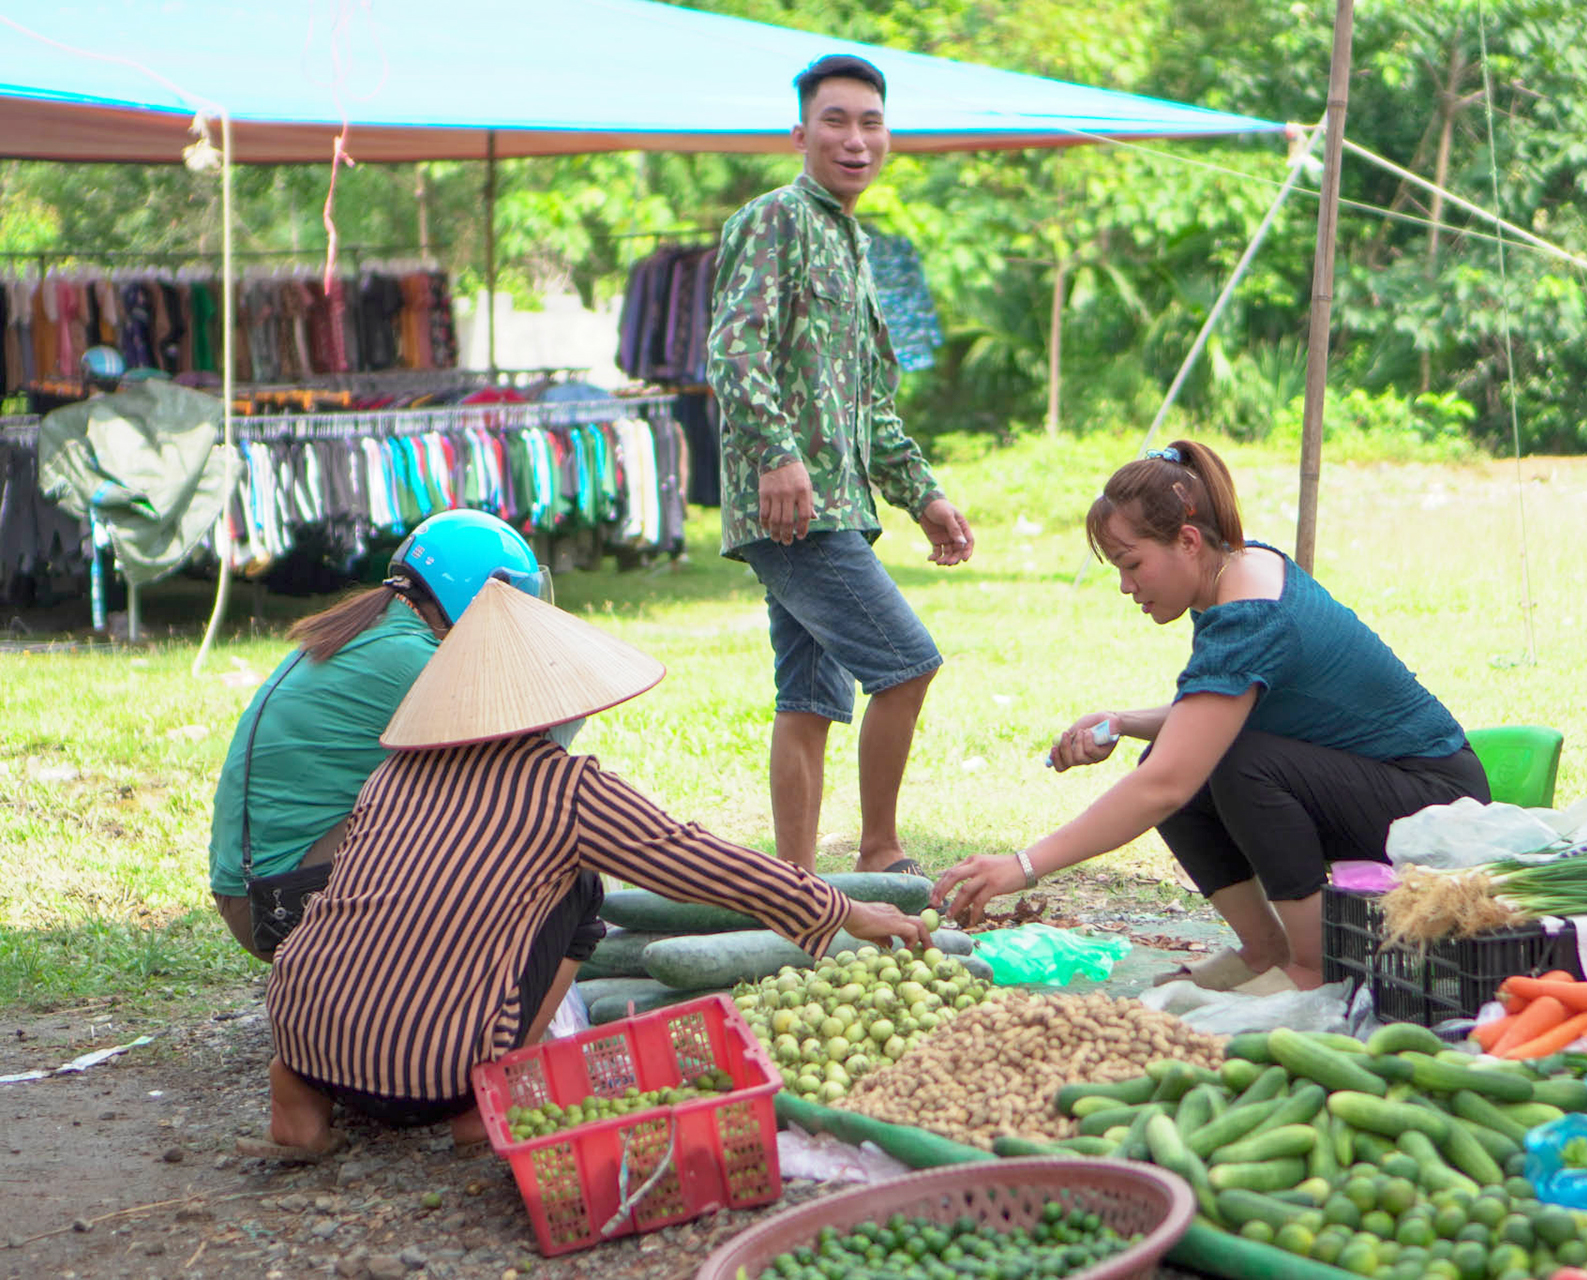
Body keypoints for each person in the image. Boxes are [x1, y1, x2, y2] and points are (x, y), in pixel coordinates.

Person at [254, 579, 930, 1158]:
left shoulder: (390, 777)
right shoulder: (565, 787)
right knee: (581, 892)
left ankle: (300, 1102)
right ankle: (487, 1096)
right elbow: (699, 862)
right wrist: (840, 909)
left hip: (305, 1031)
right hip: (438, 1074)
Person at [934, 440, 1489, 993]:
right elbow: (1214, 715)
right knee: (1182, 755)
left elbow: (1168, 784)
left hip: (1436, 803)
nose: (1127, 586)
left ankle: (1314, 965)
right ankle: (1263, 949)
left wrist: (1023, 865)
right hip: (1385, 786)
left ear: (1189, 541)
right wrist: (1123, 722)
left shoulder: (1249, 617)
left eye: (1132, 564)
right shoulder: (1239, 571)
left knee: (1229, 766)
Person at [706, 53, 975, 878]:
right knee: (907, 665)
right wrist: (777, 455)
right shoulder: (776, 218)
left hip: (842, 506)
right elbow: (733, 346)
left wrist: (921, 493)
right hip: (798, 511)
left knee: (810, 701)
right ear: (800, 133)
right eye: (836, 120)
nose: (856, 139)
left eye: (871, 122)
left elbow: (869, 403)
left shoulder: (851, 242)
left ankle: (795, 888)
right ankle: (881, 852)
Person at [207, 509, 547, 960]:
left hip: (259, 891)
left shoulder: (383, 630)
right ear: (477, 594)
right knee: (492, 809)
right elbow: (518, 777)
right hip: (277, 904)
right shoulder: (412, 659)